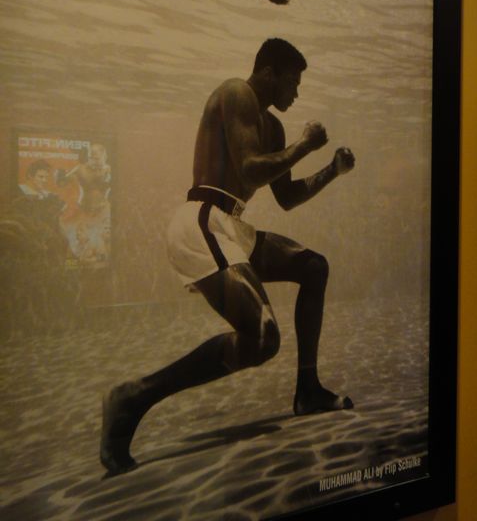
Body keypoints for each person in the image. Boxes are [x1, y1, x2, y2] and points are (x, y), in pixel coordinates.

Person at [100, 38, 356, 475]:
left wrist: (331, 170)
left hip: (231, 225)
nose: (295, 93)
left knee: (314, 267)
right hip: (202, 219)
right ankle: (132, 398)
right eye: (292, 82)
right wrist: (307, 144)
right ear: (269, 72)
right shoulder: (236, 91)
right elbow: (251, 169)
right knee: (261, 337)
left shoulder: (273, 128)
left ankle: (308, 390)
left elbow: (288, 196)